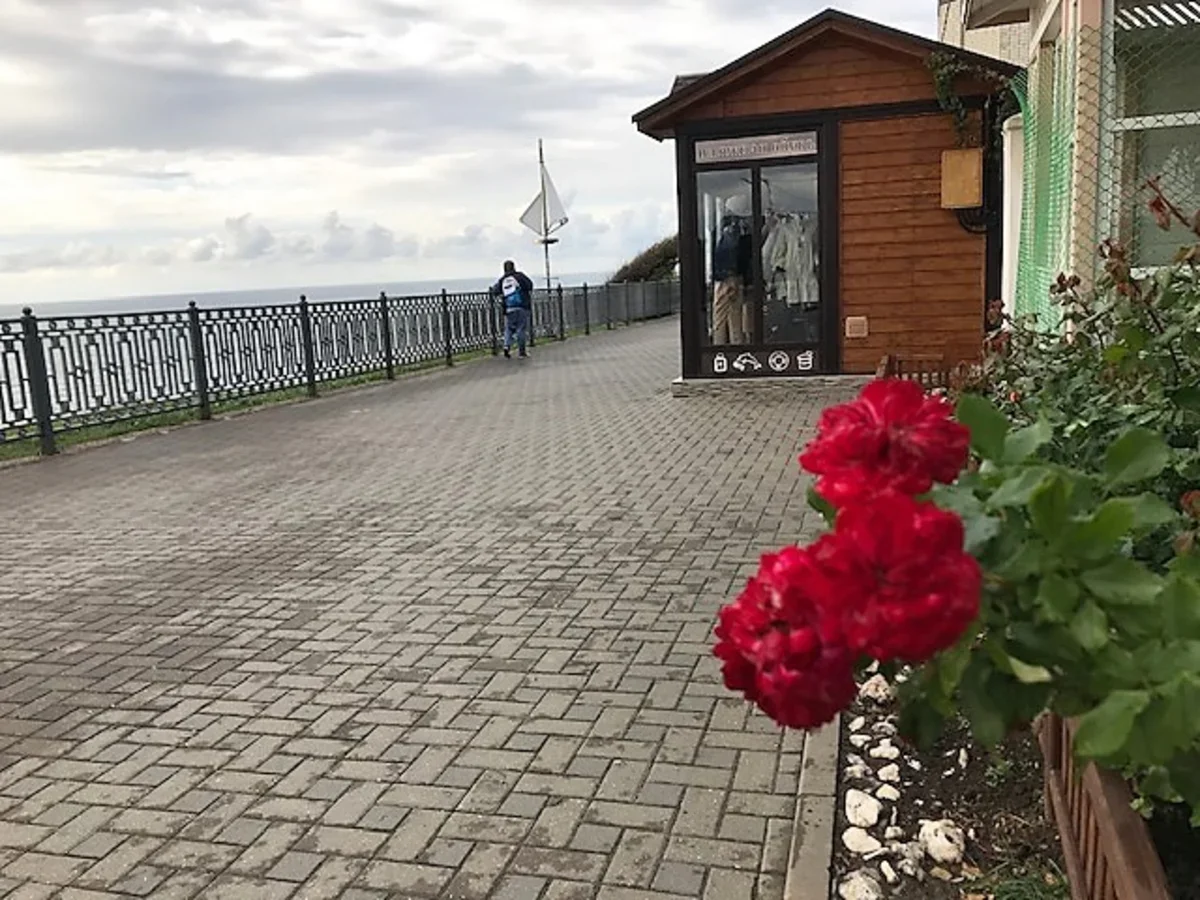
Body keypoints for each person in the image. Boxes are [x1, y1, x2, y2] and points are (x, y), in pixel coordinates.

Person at [492, 260, 534, 358]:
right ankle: (522, 352)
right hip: (522, 306)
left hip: (509, 308)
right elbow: (530, 285)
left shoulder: (503, 280)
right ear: (514, 267)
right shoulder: (520, 276)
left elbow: (495, 291)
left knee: (509, 329)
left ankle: (506, 345)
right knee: (520, 329)